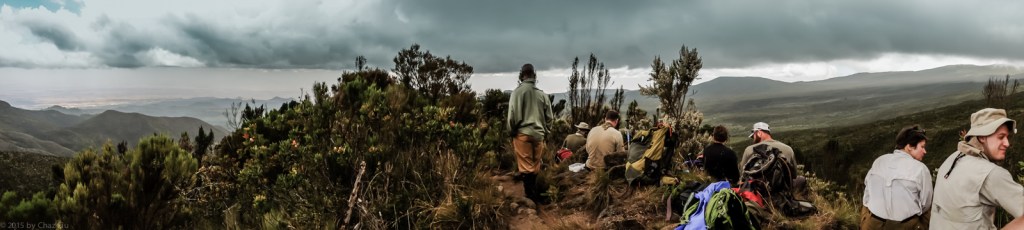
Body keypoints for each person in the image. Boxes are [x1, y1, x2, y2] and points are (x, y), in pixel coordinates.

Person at [931, 108, 1024, 229]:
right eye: (1001, 137)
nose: (1007, 143)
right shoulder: (991, 174)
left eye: (1007, 137)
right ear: (982, 137)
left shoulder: (950, 160)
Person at [861, 125, 931, 229]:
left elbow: (867, 196)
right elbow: (925, 205)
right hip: (905, 225)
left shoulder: (879, 161)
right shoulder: (920, 169)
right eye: (922, 147)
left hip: (872, 223)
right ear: (910, 147)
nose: (925, 151)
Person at [506, 63, 554, 203]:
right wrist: (546, 132)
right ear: (534, 75)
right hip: (538, 135)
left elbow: (512, 116)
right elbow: (550, 118)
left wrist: (512, 131)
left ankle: (530, 196)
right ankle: (535, 194)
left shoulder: (516, 93)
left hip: (522, 134)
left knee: (526, 166)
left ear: (522, 75)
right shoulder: (542, 95)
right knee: (535, 164)